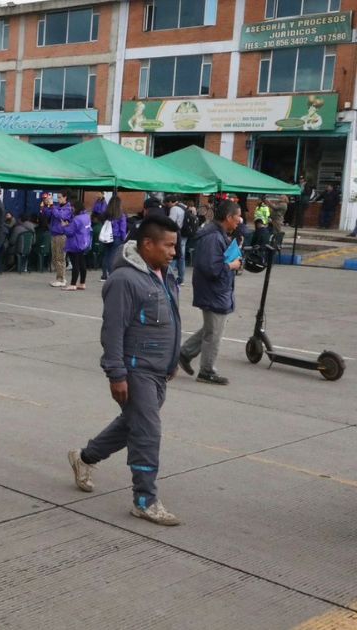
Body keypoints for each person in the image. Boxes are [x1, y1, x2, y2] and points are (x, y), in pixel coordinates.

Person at [67, 216, 183, 527]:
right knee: (147, 433)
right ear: (148, 244)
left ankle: (85, 457)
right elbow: (112, 330)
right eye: (168, 245)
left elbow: (169, 320)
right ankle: (144, 500)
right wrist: (117, 374)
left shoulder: (163, 274)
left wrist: (172, 361)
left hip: (158, 370)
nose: (174, 252)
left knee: (132, 423)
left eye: (176, 245)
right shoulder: (124, 280)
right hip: (136, 370)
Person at [178, 201, 243, 386]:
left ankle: (185, 353)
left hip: (218, 290)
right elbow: (211, 268)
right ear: (229, 217)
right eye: (238, 216)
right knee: (214, 333)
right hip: (214, 291)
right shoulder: (213, 237)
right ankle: (206, 371)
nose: (240, 220)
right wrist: (231, 265)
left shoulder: (219, 235)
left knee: (211, 329)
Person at [45, 189, 74, 287]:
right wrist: (47, 205)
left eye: (60, 197)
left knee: (60, 257)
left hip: (62, 235)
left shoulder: (68, 209)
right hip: (54, 234)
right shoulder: (57, 207)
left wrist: (52, 207)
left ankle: (61, 279)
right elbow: (48, 214)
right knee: (54, 258)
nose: (58, 199)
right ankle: (59, 277)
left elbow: (60, 216)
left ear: (65, 197)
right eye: (57, 197)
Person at [61, 200, 92, 291]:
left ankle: (73, 284)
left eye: (72, 207)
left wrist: (64, 226)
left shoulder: (77, 219)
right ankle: (82, 283)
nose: (71, 209)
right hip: (83, 242)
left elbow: (70, 232)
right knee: (82, 263)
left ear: (76, 208)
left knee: (75, 264)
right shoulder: (86, 217)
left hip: (74, 243)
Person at [100, 196, 127, 281]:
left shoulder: (106, 214)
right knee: (113, 256)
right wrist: (124, 239)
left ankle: (104, 275)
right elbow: (122, 229)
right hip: (117, 237)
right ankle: (111, 274)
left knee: (106, 255)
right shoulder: (121, 215)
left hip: (107, 237)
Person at [164, 195, 188, 284]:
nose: (167, 205)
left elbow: (170, 222)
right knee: (182, 257)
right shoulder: (184, 207)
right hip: (185, 233)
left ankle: (169, 276)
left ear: (170, 202)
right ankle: (181, 278)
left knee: (174, 254)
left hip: (177, 234)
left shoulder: (174, 209)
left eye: (167, 203)